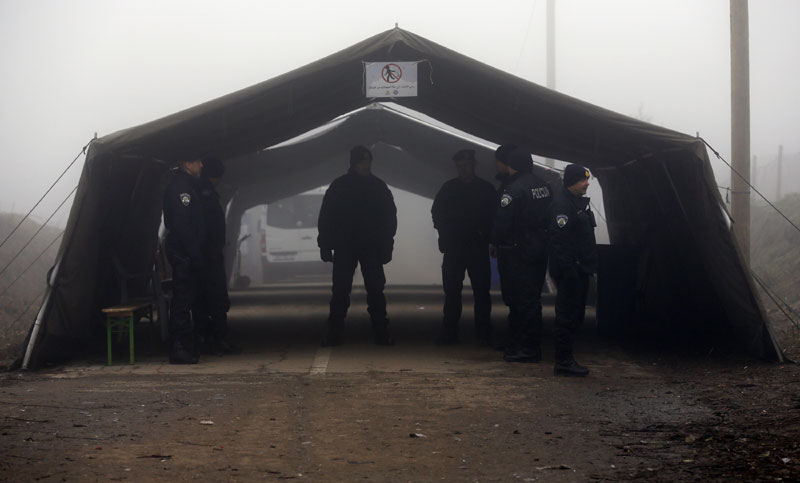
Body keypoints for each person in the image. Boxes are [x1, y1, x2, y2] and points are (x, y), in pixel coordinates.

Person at [317, 145, 398, 346]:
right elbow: (326, 218)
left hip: (370, 247)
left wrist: (387, 245)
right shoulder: (341, 187)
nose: (366, 165)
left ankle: (381, 333)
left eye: (368, 161)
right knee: (341, 292)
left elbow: (389, 219)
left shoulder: (375, 187)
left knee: (376, 291)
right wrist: (325, 244)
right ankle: (334, 333)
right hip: (346, 246)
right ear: (354, 163)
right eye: (362, 161)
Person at [491, 149, 553, 363]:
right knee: (531, 299)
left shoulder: (513, 190)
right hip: (538, 249)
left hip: (518, 251)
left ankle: (527, 347)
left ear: (511, 166)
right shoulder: (544, 186)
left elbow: (502, 224)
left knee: (520, 301)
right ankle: (520, 343)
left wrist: (494, 241)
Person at [431, 149, 496, 345]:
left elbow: (494, 217)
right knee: (452, 293)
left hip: (476, 247)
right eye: (460, 167)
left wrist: (489, 238)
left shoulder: (485, 189)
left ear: (473, 165)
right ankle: (450, 332)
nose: (463, 170)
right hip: (455, 248)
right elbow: (437, 213)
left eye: (466, 166)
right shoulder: (449, 188)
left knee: (482, 293)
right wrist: (444, 233)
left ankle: (483, 331)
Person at [548, 164, 597, 377]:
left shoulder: (578, 203)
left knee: (575, 315)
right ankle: (563, 361)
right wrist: (568, 270)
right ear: (571, 182)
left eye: (587, 179)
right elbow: (559, 242)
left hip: (580, 268)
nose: (587, 183)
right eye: (582, 180)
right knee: (566, 316)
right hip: (570, 270)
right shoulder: (562, 206)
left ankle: (567, 358)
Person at [192, 156, 241, 356]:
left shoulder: (199, 191)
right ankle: (218, 338)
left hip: (203, 253)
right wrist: (213, 247)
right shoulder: (206, 194)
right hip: (209, 254)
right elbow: (208, 226)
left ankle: (204, 337)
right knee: (216, 298)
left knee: (202, 298)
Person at [163, 158, 205, 364]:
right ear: (188, 164)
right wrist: (193, 253)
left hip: (184, 250)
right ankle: (179, 347)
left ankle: (186, 344)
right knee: (182, 299)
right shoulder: (181, 188)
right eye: (198, 162)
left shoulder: (186, 184)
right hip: (182, 251)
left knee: (186, 298)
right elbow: (182, 225)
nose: (202, 166)